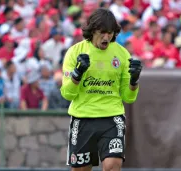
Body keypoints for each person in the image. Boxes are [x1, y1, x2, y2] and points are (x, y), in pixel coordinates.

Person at [60, 8, 142, 171]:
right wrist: (77, 74)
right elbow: (67, 93)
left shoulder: (122, 54)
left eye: (110, 33)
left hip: (112, 117)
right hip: (83, 117)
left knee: (113, 165)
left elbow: (128, 97)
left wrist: (134, 80)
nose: (107, 37)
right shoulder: (75, 52)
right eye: (102, 32)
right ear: (92, 31)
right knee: (81, 169)